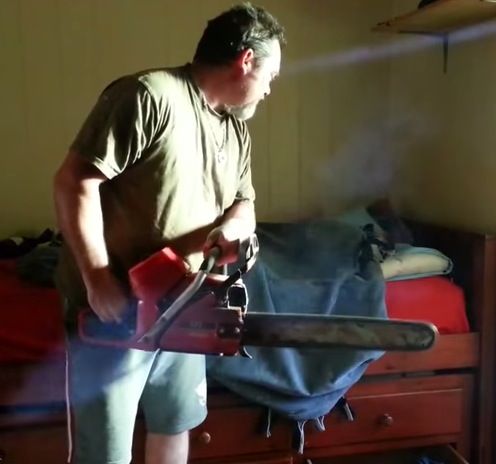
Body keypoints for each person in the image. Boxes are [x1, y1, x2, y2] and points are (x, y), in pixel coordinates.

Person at [52, 2, 285, 464]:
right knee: (104, 454)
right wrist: (97, 280)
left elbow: (244, 203)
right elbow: (74, 181)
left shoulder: (235, 131)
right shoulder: (148, 96)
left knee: (174, 423)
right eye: (271, 76)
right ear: (246, 61)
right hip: (115, 312)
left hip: (183, 303)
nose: (269, 90)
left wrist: (234, 229)